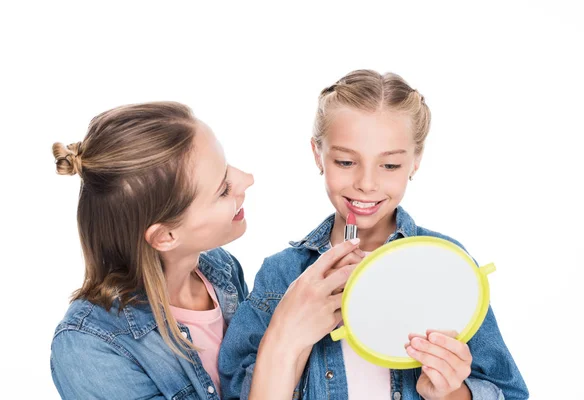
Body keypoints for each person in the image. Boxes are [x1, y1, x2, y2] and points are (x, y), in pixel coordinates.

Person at [219, 70, 529, 400]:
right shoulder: (283, 275)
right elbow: (238, 390)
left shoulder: (445, 263)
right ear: (317, 155)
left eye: (390, 166)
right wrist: (292, 338)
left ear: (416, 160)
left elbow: (510, 392)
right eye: (346, 161)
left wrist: (450, 392)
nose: (366, 183)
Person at [50, 101, 361, 399]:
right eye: (223, 188)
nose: (247, 180)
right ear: (166, 235)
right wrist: (284, 339)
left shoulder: (220, 271)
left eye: (227, 167)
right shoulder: (89, 348)